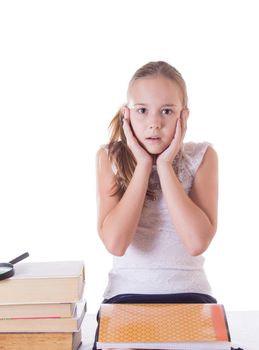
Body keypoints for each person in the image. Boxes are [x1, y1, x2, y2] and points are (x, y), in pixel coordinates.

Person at [93, 61, 218, 349]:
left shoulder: (203, 157)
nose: (154, 123)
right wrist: (142, 166)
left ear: (183, 117)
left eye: (167, 111)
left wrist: (164, 165)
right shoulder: (108, 158)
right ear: (127, 115)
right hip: (125, 299)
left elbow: (197, 242)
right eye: (142, 110)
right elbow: (116, 243)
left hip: (190, 297)